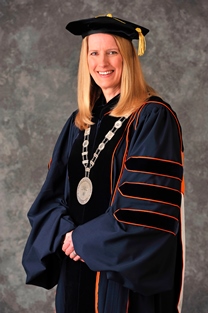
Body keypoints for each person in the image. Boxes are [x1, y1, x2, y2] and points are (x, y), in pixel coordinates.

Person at [22, 14, 185, 313]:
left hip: (121, 275)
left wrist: (83, 240)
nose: (103, 62)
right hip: (75, 268)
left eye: (112, 52)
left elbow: (147, 207)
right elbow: (54, 193)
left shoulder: (151, 117)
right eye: (93, 53)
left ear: (128, 57)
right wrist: (65, 234)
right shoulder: (79, 122)